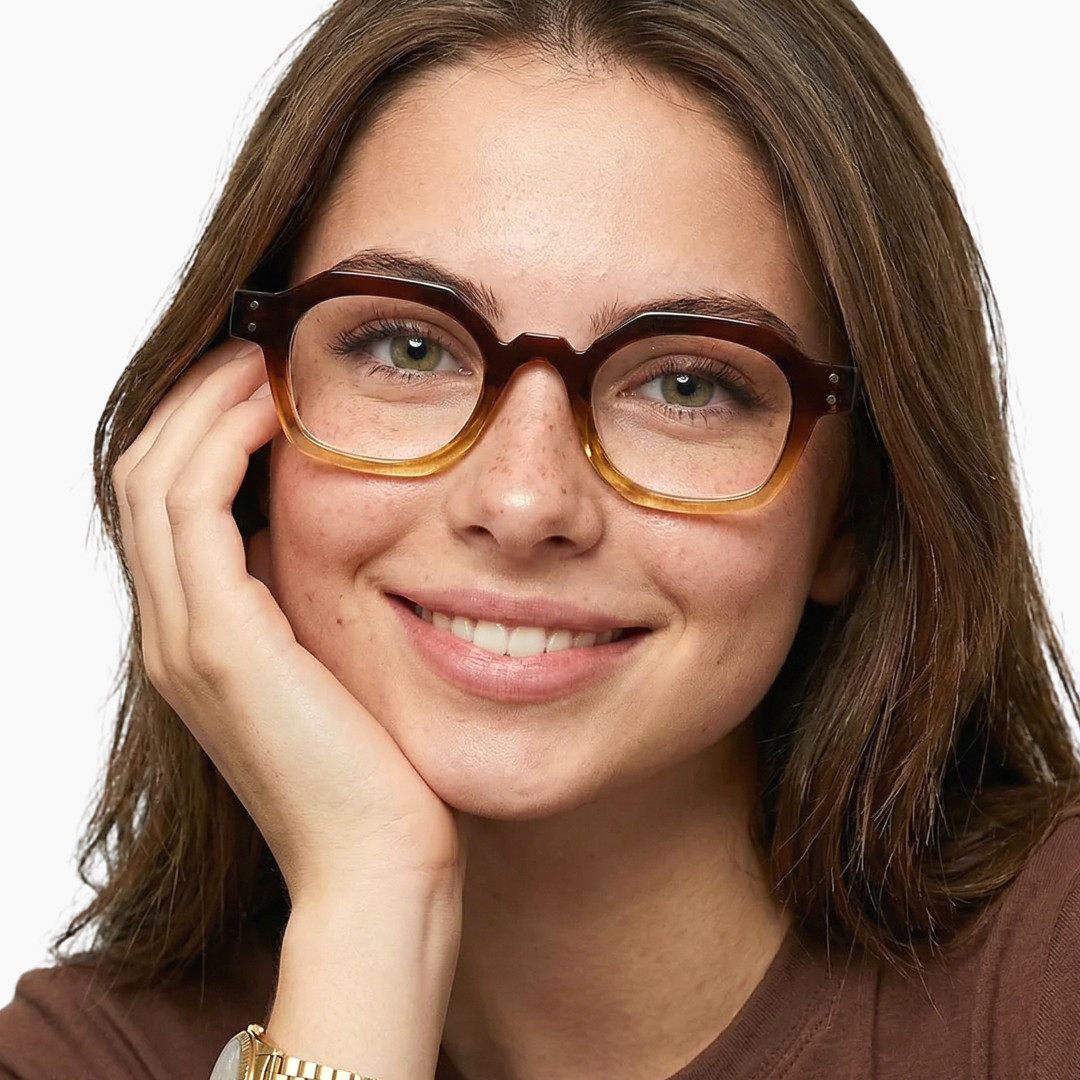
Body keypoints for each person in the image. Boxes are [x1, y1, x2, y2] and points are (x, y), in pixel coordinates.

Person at [2, 0, 1078, 1077]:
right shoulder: (85, 1056)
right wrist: (368, 904)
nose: (523, 505)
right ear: (237, 435)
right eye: (411, 347)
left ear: (856, 505)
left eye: (686, 384)